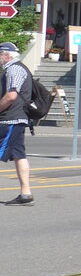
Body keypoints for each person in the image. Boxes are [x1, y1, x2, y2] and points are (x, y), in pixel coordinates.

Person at [0, 42, 34, 205]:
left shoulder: (14, 69)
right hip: (17, 119)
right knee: (19, 155)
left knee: (10, 153)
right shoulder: (17, 68)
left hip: (10, 119)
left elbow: (11, 96)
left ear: (6, 55)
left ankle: (26, 193)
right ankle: (26, 193)